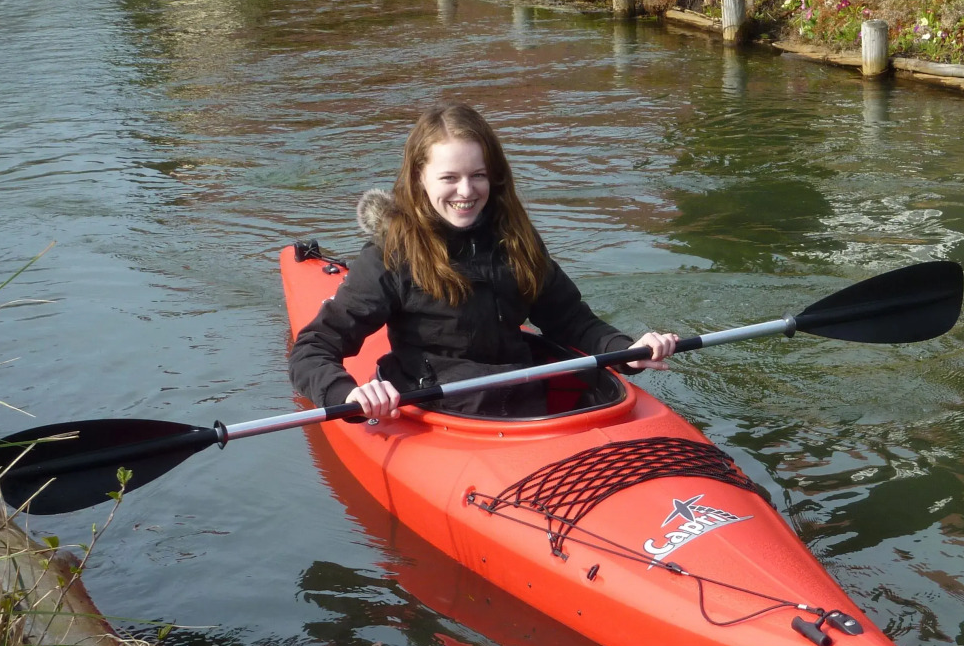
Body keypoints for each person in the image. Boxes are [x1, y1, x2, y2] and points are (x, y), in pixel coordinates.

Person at [289, 103, 677, 420]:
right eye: (449, 178)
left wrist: (627, 350)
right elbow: (311, 349)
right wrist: (346, 393)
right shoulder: (390, 257)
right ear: (420, 177)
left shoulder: (516, 240)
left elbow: (570, 320)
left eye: (478, 175)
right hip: (440, 413)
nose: (466, 191)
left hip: (527, 407)